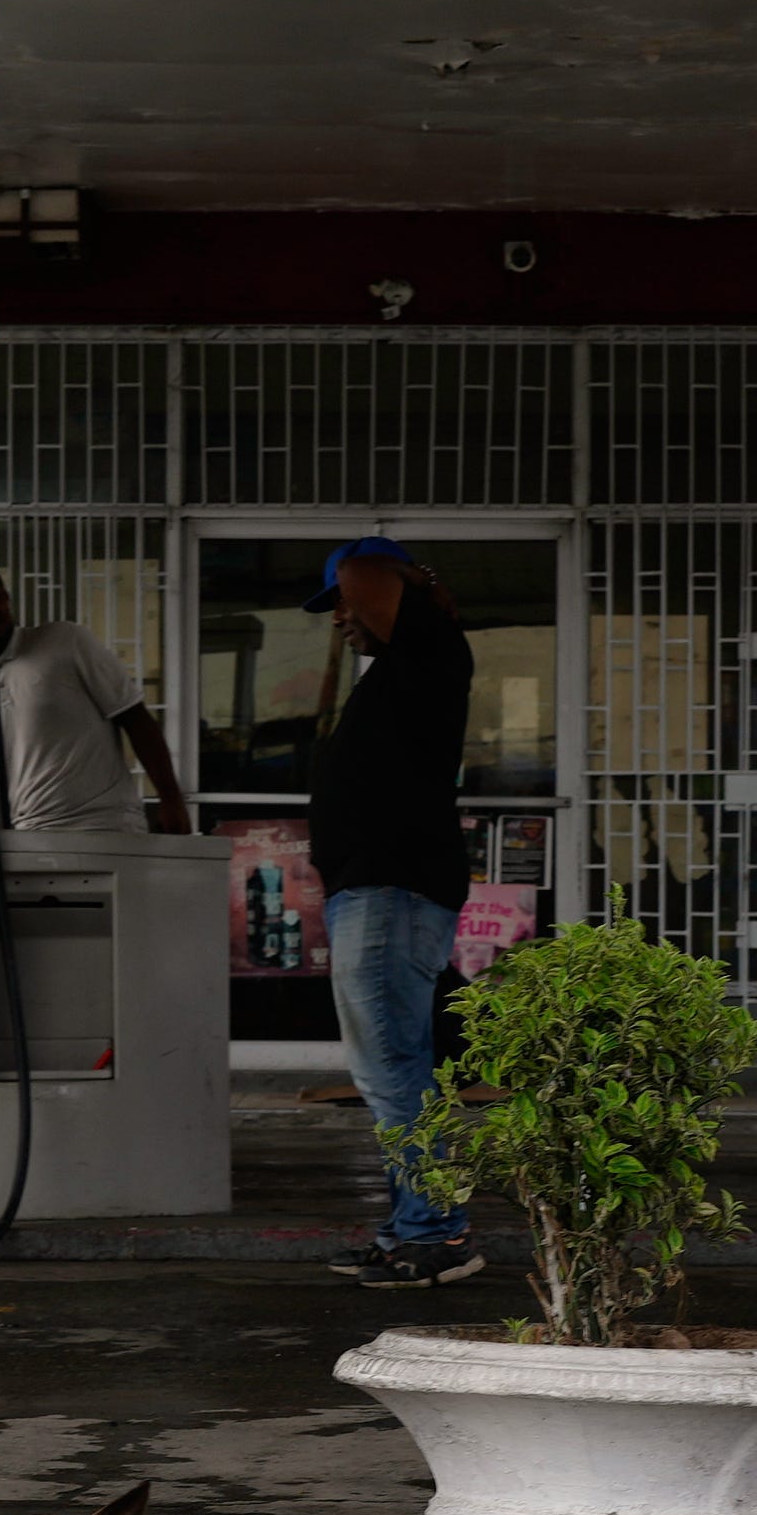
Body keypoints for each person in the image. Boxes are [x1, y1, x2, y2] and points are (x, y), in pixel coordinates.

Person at [306, 536, 479, 1289]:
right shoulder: (397, 671)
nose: (340, 616)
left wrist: (411, 583)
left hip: (390, 887)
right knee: (401, 1068)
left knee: (390, 1071)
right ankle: (411, 1226)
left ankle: (436, 1233)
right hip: (377, 888)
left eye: (344, 603)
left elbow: (361, 571)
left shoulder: (428, 645)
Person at [0, 570, 193, 836]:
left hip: (103, 824)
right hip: (28, 833)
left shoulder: (64, 641)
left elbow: (136, 719)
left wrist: (171, 799)